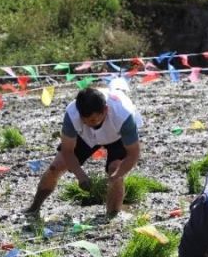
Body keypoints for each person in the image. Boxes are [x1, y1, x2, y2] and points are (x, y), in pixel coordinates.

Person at [25, 84, 142, 218]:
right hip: (85, 136)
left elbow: (133, 154)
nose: (89, 123)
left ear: (105, 110)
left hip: (117, 135)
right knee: (55, 167)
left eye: (93, 120)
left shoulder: (123, 115)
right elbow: (67, 151)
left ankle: (111, 217)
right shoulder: (72, 113)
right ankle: (34, 208)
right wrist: (81, 176)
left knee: (114, 170)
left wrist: (115, 176)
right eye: (84, 120)